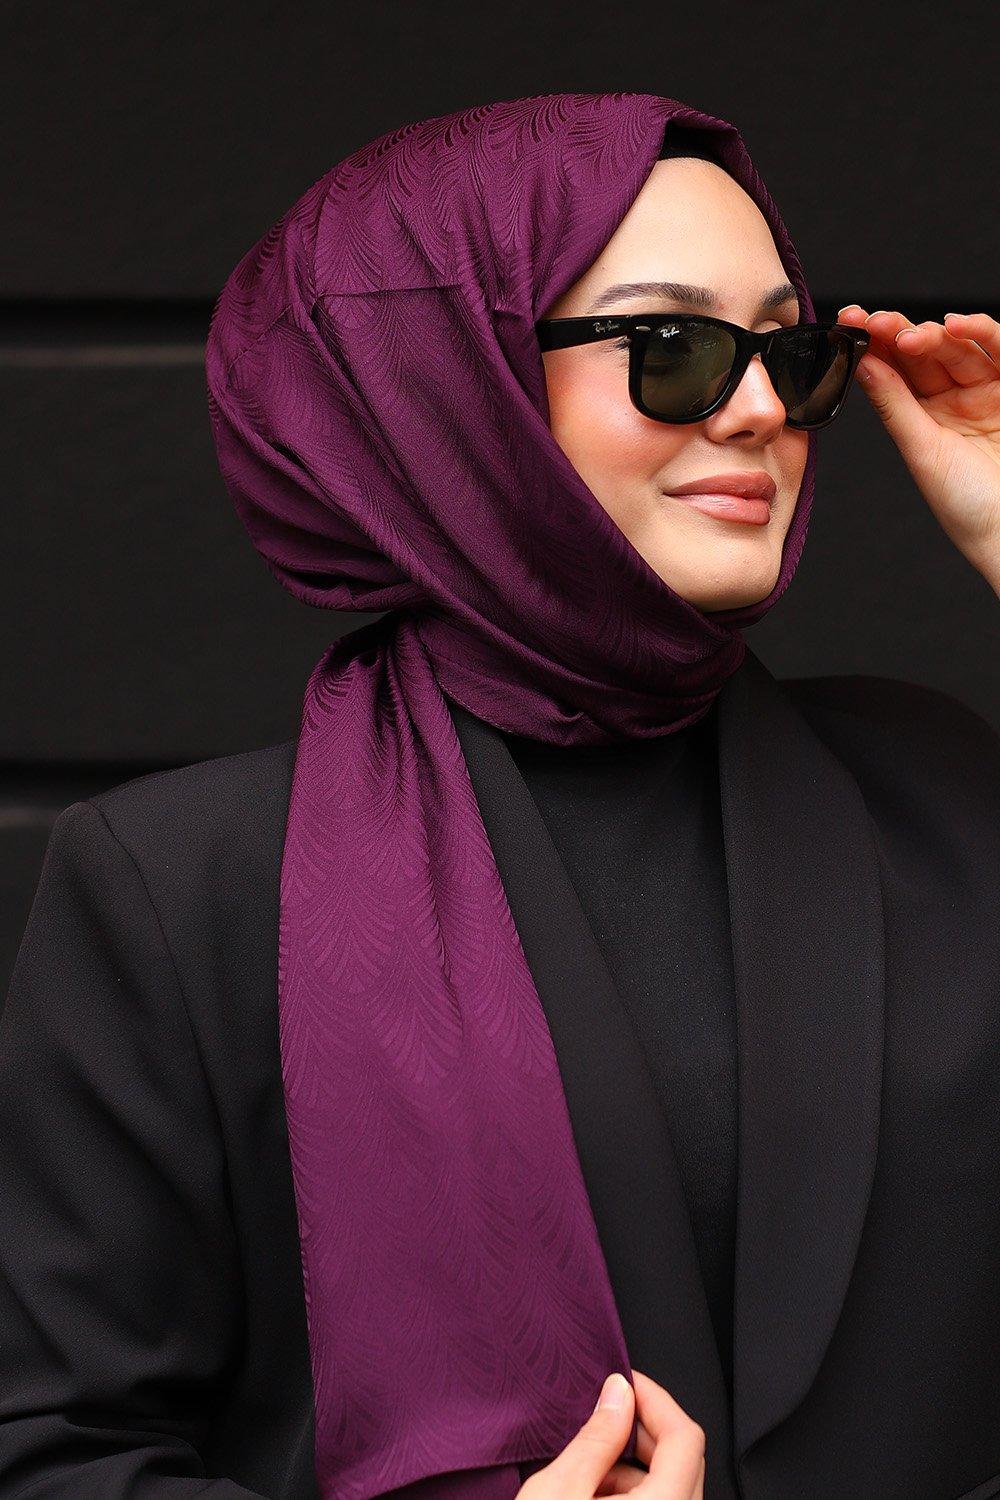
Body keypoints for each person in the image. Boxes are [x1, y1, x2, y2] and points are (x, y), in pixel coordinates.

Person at [1, 92, 998, 1500]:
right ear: (444, 388)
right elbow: (49, 1453)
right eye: (672, 350)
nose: (766, 408)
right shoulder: (184, 886)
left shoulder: (942, 790)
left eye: (793, 350)